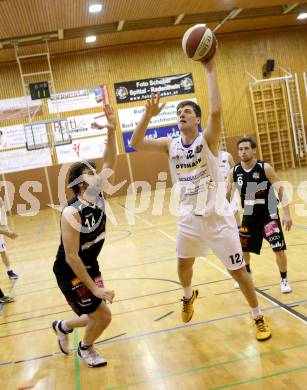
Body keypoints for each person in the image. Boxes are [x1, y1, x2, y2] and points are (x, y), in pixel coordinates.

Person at [130, 56, 271, 341]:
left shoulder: (206, 141)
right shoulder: (170, 145)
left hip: (218, 219)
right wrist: (147, 115)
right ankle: (187, 295)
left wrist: (209, 69)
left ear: (196, 118)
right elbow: (135, 143)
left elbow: (216, 112)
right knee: (183, 265)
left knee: (239, 272)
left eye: (187, 111)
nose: (181, 114)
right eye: (179, 112)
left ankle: (258, 316)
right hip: (189, 217)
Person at [52, 104, 117, 368]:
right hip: (71, 271)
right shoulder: (71, 212)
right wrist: (96, 288)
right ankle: (85, 348)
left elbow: (111, 161)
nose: (97, 175)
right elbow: (71, 257)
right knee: (102, 316)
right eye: (91, 173)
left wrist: (112, 130)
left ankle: (62, 326)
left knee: (94, 314)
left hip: (90, 264)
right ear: (80, 184)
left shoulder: (97, 194)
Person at [227, 136, 292, 293]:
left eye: (246, 148)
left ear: (254, 150)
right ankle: (247, 272)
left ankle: (284, 279)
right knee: (244, 249)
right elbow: (227, 194)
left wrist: (287, 214)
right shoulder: (234, 171)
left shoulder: (265, 168)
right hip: (249, 215)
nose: (243, 152)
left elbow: (280, 189)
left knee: (278, 248)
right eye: (240, 149)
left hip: (269, 215)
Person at [218, 149, 241, 226]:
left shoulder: (227, 155)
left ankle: (239, 231)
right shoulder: (209, 157)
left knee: (235, 211)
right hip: (216, 189)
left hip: (229, 186)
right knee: (220, 213)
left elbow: (235, 171)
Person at [0, 197, 18, 279]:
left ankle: (10, 271)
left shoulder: (1, 206)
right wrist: (7, 233)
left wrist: (8, 230)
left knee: (3, 251)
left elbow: (3, 221)